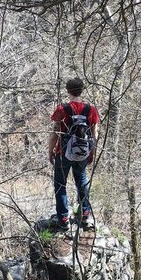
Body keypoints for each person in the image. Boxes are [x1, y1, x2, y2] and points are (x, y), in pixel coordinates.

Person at [48, 77, 99, 231]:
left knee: (60, 184)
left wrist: (51, 151)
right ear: (82, 90)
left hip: (64, 153)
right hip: (83, 152)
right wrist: (92, 151)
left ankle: (63, 219)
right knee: (82, 182)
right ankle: (85, 214)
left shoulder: (63, 109)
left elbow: (55, 133)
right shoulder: (91, 109)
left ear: (68, 90)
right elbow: (94, 133)